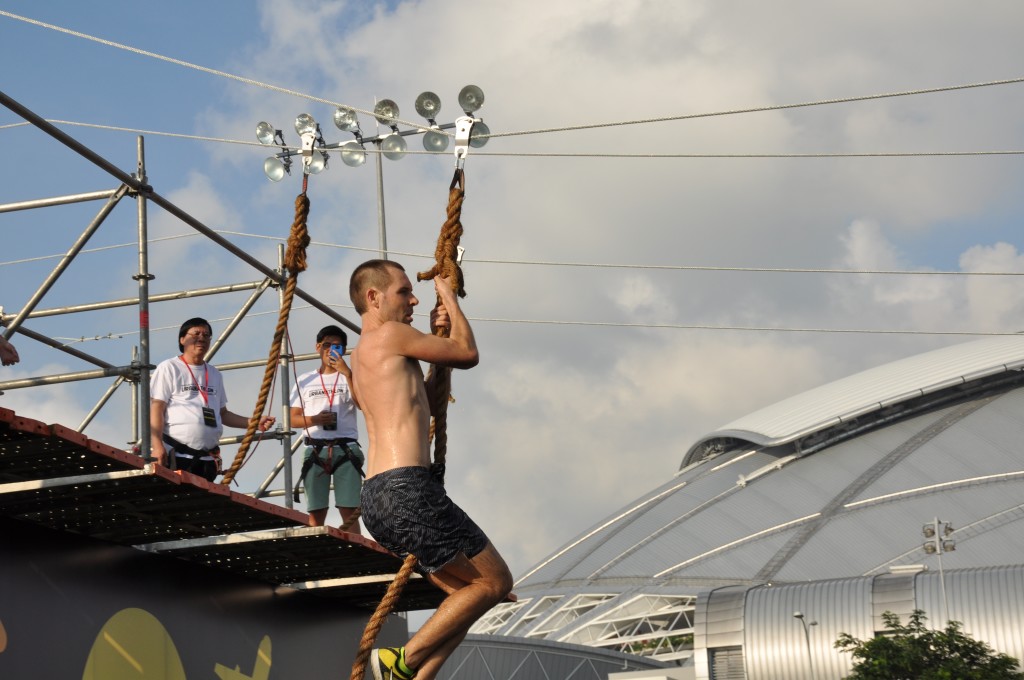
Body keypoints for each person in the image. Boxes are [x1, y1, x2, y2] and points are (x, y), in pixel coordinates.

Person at [348, 259, 512, 680]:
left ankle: (415, 676)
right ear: (374, 297)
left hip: (378, 499)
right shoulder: (390, 335)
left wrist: (437, 338)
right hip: (408, 489)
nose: (413, 299)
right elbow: (467, 354)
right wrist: (451, 302)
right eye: (404, 292)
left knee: (466, 594)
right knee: (495, 582)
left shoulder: (365, 357)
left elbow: (427, 396)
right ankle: (399, 660)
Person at [150, 317, 275, 482]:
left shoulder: (214, 374)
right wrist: (157, 445)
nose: (202, 338)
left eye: (206, 335)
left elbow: (222, 414)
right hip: (177, 454)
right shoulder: (169, 367)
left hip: (208, 459)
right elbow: (156, 408)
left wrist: (253, 422)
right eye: (196, 333)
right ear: (182, 339)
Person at [289, 324, 364, 533]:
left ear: (344, 351)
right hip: (315, 448)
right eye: (327, 345)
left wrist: (347, 374)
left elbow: (362, 404)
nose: (331, 350)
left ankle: (354, 554)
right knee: (315, 511)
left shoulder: (351, 376)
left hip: (345, 448)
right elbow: (292, 419)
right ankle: (315, 554)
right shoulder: (305, 380)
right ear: (318, 347)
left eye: (337, 346)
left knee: (349, 510)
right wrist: (315, 419)